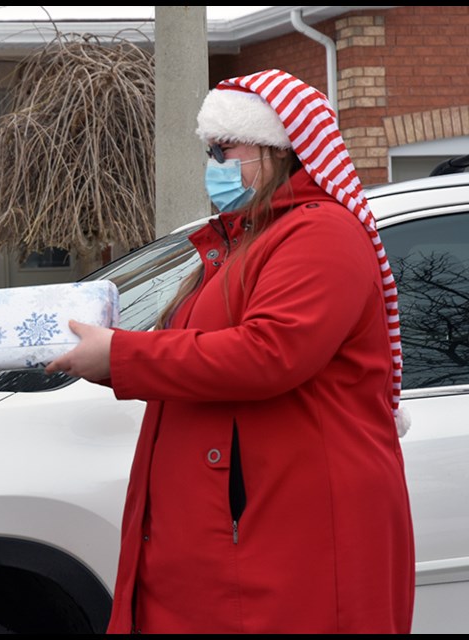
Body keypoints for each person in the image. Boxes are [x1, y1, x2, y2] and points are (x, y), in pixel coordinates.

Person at [45, 69, 415, 634]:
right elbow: (197, 352)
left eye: (225, 147)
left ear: (278, 149)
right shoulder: (244, 240)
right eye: (210, 149)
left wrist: (120, 357)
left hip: (289, 527)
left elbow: (268, 353)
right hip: (240, 526)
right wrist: (108, 352)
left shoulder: (321, 235)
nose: (214, 163)